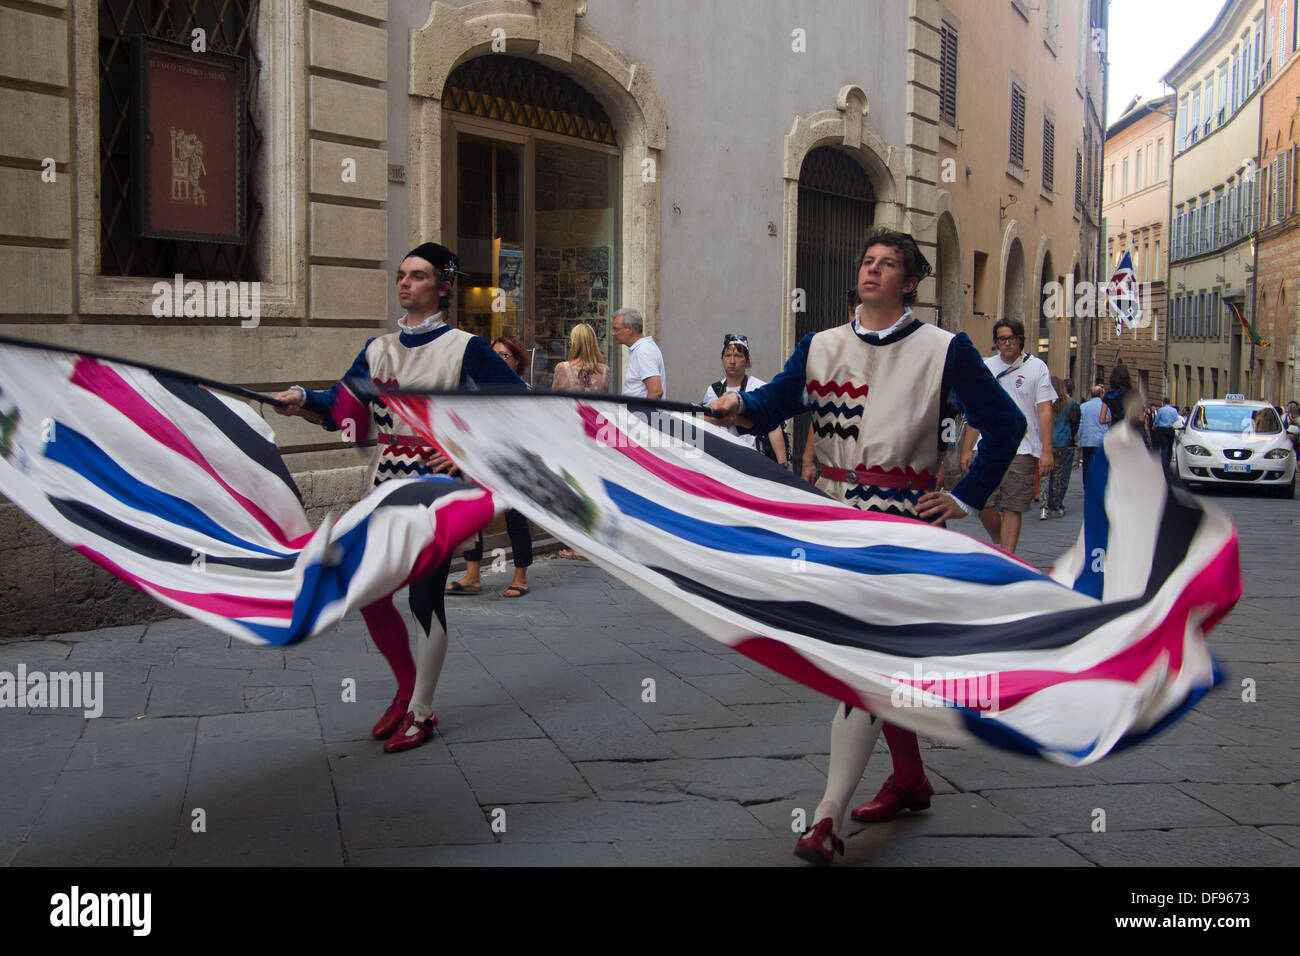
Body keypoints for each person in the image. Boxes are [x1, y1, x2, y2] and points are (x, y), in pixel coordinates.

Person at [710, 228, 1024, 866]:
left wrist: (964, 498)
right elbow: (772, 405)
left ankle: (824, 819)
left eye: (887, 265)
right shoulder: (822, 344)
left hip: (903, 526)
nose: (872, 271)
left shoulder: (947, 349)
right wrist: (737, 405)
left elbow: (1007, 424)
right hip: (833, 520)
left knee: (861, 662)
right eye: (867, 261)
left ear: (910, 283)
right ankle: (909, 780)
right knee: (880, 661)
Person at [274, 242, 525, 753]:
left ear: (443, 286)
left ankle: (423, 711)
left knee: (424, 594)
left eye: (417, 275)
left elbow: (522, 408)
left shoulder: (466, 348)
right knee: (369, 592)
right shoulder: (378, 349)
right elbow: (341, 407)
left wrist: (466, 455)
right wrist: (302, 400)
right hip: (384, 484)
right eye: (402, 275)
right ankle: (405, 688)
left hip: (437, 491)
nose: (404, 283)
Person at [959, 318, 1055, 554]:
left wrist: (1047, 451)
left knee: (1013, 505)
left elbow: (1044, 410)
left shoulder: (1037, 367)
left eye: (1011, 338)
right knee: (980, 500)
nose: (1007, 343)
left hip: (1023, 447)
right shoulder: (986, 366)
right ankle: (1000, 543)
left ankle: (1008, 556)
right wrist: (967, 447)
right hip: (989, 446)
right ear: (996, 342)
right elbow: (977, 410)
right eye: (1002, 339)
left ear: (1020, 339)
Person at [448, 336, 535, 598]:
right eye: (493, 355)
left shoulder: (524, 391)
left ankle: (521, 577)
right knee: (472, 517)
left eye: (504, 355)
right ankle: (472, 576)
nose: (496, 360)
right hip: (479, 462)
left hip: (512, 465)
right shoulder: (478, 392)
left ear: (517, 361)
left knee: (516, 519)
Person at [550, 322, 610, 560]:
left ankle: (576, 543)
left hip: (570, 434)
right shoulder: (605, 371)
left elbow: (553, 403)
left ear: (574, 343)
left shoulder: (562, 368)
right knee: (591, 487)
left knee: (572, 486)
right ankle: (592, 541)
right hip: (594, 435)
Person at [800, 291, 859, 484]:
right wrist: (808, 460)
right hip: (838, 471)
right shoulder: (834, 354)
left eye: (861, 311)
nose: (855, 318)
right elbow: (821, 411)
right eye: (852, 312)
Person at [703, 333, 788, 466]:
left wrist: (783, 464)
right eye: (727, 356)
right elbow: (707, 426)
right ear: (722, 359)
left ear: (747, 360)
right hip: (722, 462)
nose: (732, 361)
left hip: (753, 462)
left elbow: (773, 426)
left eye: (737, 356)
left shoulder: (759, 388)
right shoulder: (713, 390)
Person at [611, 307, 665, 400]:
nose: (613, 333)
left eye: (616, 329)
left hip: (639, 413)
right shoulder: (641, 349)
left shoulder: (644, 350)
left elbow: (656, 391)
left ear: (629, 329)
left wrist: (643, 413)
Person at [1042, 375, 1076, 519]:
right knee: (1057, 475)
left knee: (1044, 475)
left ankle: (1043, 507)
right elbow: (1073, 420)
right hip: (1062, 441)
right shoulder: (1070, 403)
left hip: (1045, 441)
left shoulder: (1045, 402)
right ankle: (1054, 507)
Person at [1077, 384, 1108, 487]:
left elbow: (1080, 424)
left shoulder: (1084, 406)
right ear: (1101, 394)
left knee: (1086, 463)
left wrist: (1079, 439)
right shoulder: (1105, 407)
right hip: (1101, 440)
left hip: (1087, 440)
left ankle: (1087, 484)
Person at [1152, 397, 1181, 476]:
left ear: (1164, 402)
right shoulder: (1174, 410)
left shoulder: (1161, 410)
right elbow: (1176, 420)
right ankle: (1168, 461)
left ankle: (1163, 461)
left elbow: (1157, 420)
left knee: (1163, 445)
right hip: (1171, 430)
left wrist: (1154, 426)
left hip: (1162, 430)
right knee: (1170, 446)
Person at [1099, 364, 1133, 429]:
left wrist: (1113, 419)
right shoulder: (1130, 394)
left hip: (1114, 430)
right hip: (1127, 430)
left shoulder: (1108, 395)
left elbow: (1101, 420)